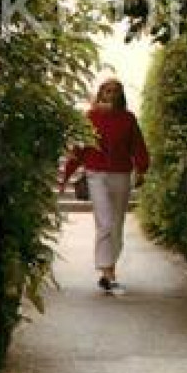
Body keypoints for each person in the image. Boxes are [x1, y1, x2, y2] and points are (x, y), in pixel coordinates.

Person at [58, 78, 149, 295]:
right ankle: (107, 273)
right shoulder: (90, 117)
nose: (111, 94)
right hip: (96, 173)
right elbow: (79, 149)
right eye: (107, 90)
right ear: (101, 93)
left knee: (117, 224)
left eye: (115, 91)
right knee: (105, 222)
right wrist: (66, 176)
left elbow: (137, 145)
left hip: (121, 174)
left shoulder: (128, 119)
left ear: (120, 95)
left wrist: (142, 169)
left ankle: (110, 270)